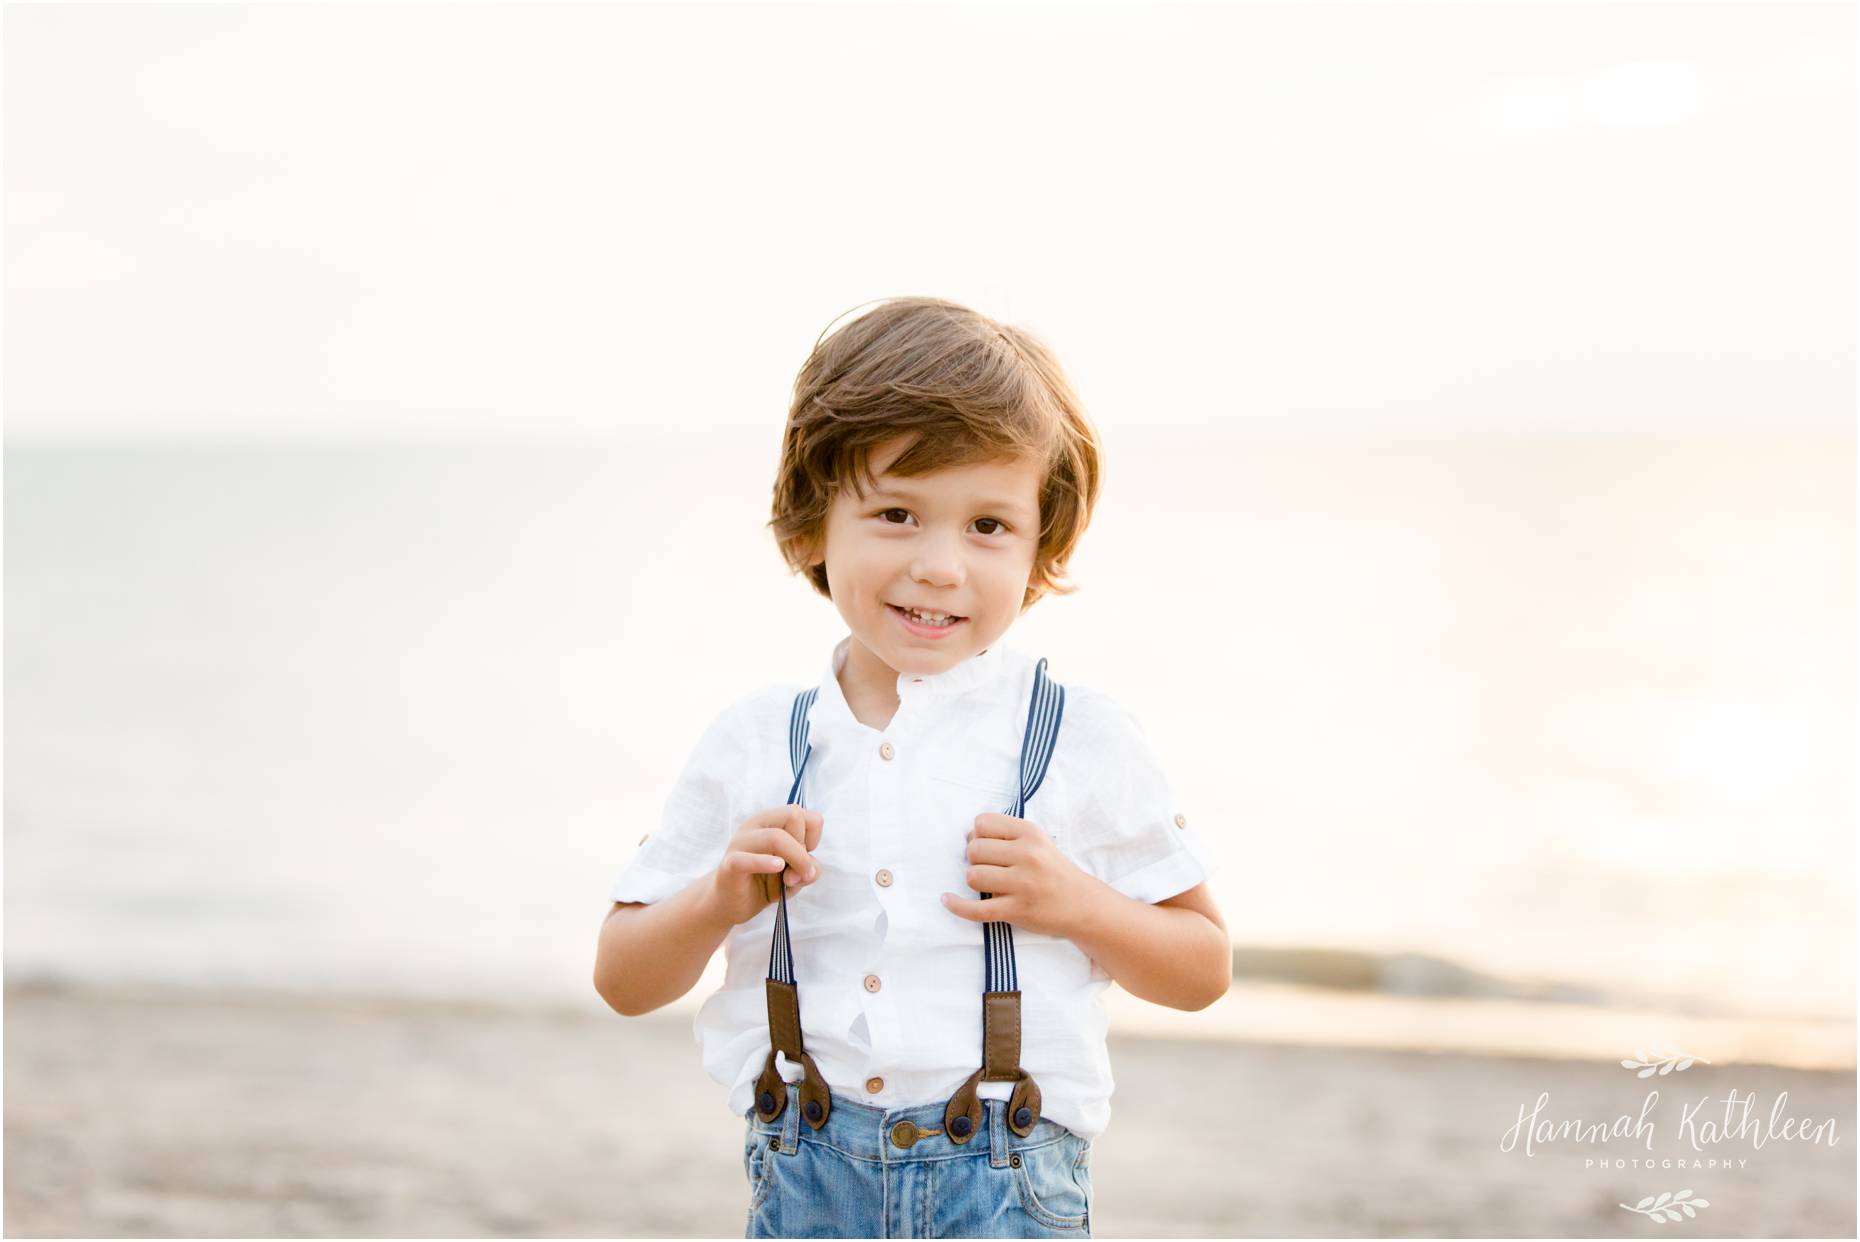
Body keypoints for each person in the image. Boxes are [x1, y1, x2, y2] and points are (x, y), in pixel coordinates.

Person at [593, 296, 1229, 1238]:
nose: (941, 565)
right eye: (897, 512)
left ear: (1039, 546)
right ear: (812, 525)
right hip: (810, 1174)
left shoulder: (1078, 737)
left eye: (988, 526)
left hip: (1007, 1183)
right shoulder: (758, 740)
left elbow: (1202, 968)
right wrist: (716, 900)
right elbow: (622, 977)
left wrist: (1074, 904)